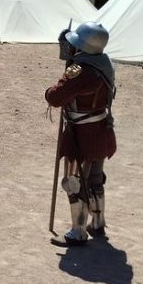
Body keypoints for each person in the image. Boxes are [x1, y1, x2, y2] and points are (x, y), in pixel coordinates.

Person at [45, 22, 116, 247]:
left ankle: (78, 231)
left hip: (82, 134)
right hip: (101, 130)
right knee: (95, 178)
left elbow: (55, 98)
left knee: (73, 182)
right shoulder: (104, 63)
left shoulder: (80, 71)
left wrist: (61, 80)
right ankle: (98, 221)